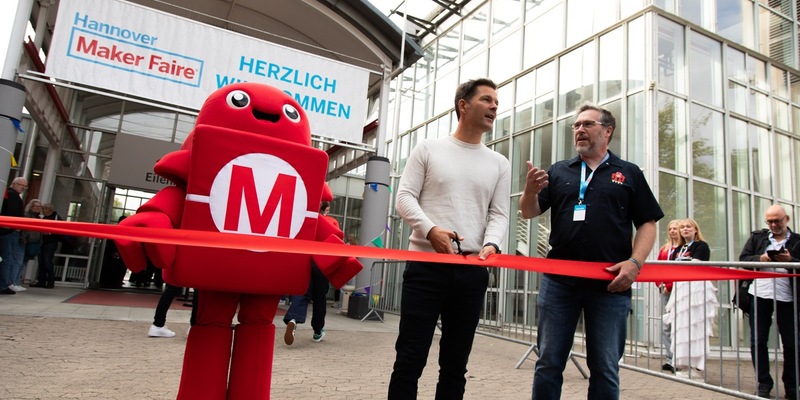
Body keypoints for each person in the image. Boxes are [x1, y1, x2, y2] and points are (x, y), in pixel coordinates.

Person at [519, 103, 663, 399]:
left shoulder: (629, 173)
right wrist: (530, 192)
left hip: (610, 285)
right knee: (548, 363)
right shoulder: (560, 170)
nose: (579, 130)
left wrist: (635, 263)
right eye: (576, 126)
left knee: (605, 367)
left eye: (587, 124)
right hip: (559, 283)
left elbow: (648, 223)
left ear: (607, 131)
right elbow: (529, 212)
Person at [388, 78, 511, 399]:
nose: (494, 106)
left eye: (496, 102)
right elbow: (404, 197)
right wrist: (431, 230)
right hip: (426, 266)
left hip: (472, 270)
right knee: (409, 359)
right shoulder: (428, 148)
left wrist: (493, 244)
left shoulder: (499, 163)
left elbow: (499, 214)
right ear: (463, 105)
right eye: (487, 100)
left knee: (456, 365)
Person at [739, 205, 800, 399]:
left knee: (791, 343)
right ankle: (763, 383)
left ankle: (792, 385)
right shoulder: (758, 238)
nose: (774, 225)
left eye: (777, 221)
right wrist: (761, 258)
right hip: (760, 294)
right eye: (770, 221)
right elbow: (744, 260)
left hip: (788, 297)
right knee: (758, 341)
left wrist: (791, 260)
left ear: (787, 219)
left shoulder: (798, 241)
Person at [663, 218, 718, 377]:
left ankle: (696, 366)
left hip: (696, 288)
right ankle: (683, 364)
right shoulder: (678, 248)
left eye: (688, 227)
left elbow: (698, 264)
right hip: (681, 288)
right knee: (681, 326)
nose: (685, 229)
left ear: (695, 229)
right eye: (682, 227)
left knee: (695, 325)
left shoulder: (702, 245)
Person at [656, 219, 681, 374]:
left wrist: (670, 286)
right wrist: (660, 284)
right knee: (666, 326)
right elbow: (658, 268)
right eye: (670, 228)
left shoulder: (683, 249)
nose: (672, 231)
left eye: (675, 228)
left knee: (678, 326)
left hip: (677, 290)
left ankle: (679, 359)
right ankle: (669, 358)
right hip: (664, 290)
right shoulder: (665, 249)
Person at [282, 263, 330, 344]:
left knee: (302, 293)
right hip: (322, 265)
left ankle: (293, 319)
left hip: (305, 263)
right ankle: (318, 331)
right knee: (320, 298)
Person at [0, 177, 28, 295]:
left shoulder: (8, 195)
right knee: (8, 259)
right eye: (21, 185)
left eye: (24, 186)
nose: (23, 188)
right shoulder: (13, 196)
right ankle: (3, 284)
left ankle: (5, 283)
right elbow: (13, 214)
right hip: (10, 231)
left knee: (8, 259)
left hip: (8, 230)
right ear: (14, 184)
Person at [17, 199, 44, 290]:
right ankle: (14, 282)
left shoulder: (39, 218)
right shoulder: (26, 215)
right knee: (19, 263)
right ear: (31, 206)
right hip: (26, 242)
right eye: (35, 206)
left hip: (33, 243)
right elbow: (24, 229)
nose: (37, 208)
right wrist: (24, 239)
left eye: (39, 206)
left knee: (24, 263)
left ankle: (16, 281)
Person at [32, 203, 60, 288]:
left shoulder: (56, 218)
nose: (42, 210)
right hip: (42, 242)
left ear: (49, 209)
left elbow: (59, 229)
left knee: (48, 262)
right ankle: (41, 281)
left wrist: (49, 233)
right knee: (41, 262)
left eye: (43, 208)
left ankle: (50, 282)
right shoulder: (44, 218)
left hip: (51, 242)